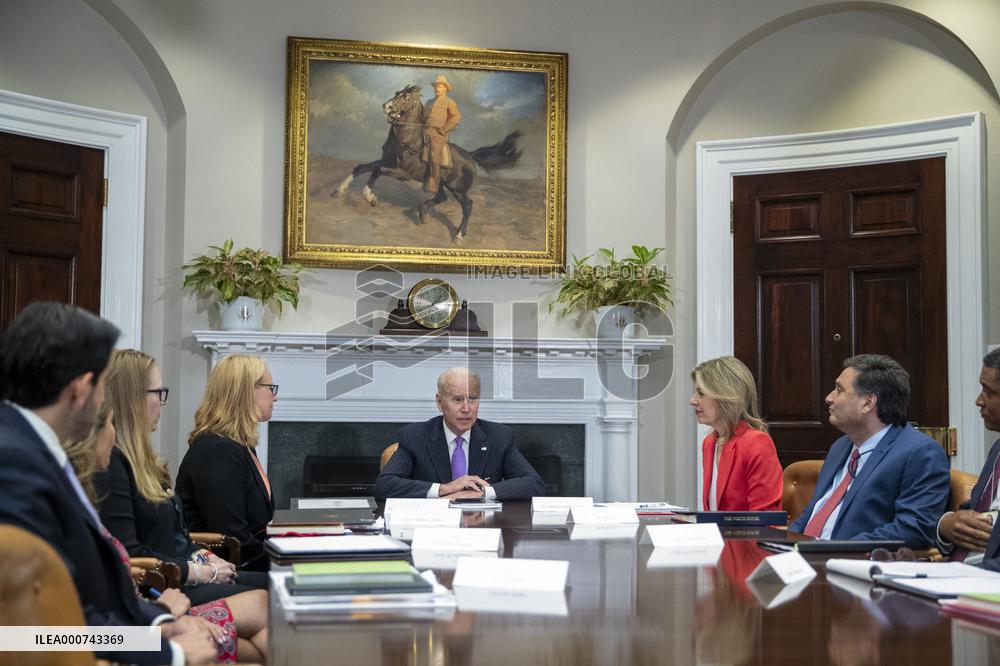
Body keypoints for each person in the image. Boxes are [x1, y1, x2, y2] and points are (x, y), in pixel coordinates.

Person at [0, 302, 219, 665]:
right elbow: (34, 632)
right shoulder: (15, 466)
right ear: (80, 390)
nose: (106, 400)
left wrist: (159, 624)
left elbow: (84, 595)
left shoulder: (30, 448)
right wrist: (169, 654)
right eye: (103, 386)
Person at [64, 391, 269, 664]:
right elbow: (44, 635)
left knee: (263, 624)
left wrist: (159, 616)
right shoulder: (57, 517)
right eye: (111, 423)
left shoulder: (78, 508)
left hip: (142, 614)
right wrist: (163, 634)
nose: (115, 437)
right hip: (132, 625)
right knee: (263, 620)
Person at [95, 349, 268, 602]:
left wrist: (205, 557)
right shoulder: (112, 463)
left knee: (279, 590)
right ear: (131, 399)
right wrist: (201, 572)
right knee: (268, 600)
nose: (163, 402)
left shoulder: (147, 463)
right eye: (158, 393)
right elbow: (131, 553)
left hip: (181, 573)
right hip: (164, 587)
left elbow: (177, 537)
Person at [788, 354, 950, 547]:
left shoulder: (920, 453)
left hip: (851, 564)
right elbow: (811, 514)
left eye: (839, 390)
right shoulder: (841, 446)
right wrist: (784, 545)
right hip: (805, 559)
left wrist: (832, 549)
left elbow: (912, 529)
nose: (828, 398)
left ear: (868, 402)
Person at [375, 367, 545, 500]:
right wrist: (446, 488)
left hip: (483, 528)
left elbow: (534, 484)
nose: (466, 408)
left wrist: (484, 493)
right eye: (457, 399)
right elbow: (385, 485)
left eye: (473, 398)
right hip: (432, 527)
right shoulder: (415, 436)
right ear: (440, 402)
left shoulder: (499, 436)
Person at [177, 354, 277, 572]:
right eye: (271, 388)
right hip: (228, 570)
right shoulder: (219, 451)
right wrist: (285, 561)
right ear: (246, 392)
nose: (275, 397)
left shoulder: (239, 445)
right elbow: (232, 538)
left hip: (249, 562)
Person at [690, 356, 783, 511]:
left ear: (726, 396)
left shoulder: (756, 443)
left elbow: (764, 521)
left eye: (701, 393)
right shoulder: (709, 443)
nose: (692, 400)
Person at [937, 348, 1000, 568]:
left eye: (988, 392)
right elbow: (975, 510)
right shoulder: (998, 450)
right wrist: (945, 525)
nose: (978, 401)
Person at [422, 74, 461, 192]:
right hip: (425, 131)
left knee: (434, 156)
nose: (437, 89)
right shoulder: (429, 102)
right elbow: (423, 116)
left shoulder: (450, 102)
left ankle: (434, 181)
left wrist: (444, 129)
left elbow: (456, 117)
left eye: (440, 87)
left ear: (445, 89)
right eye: (435, 87)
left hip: (438, 134)